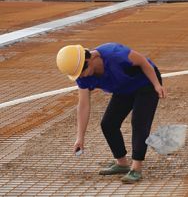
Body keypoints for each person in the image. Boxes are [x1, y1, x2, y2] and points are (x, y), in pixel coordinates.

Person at [56, 43, 165, 184]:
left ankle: (136, 168)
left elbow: (143, 62)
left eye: (82, 70)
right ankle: (122, 163)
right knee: (108, 124)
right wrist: (80, 138)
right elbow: (83, 105)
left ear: (90, 58)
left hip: (145, 82)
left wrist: (157, 85)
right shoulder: (83, 77)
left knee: (139, 122)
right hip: (123, 87)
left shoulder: (115, 54)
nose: (81, 75)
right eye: (77, 73)